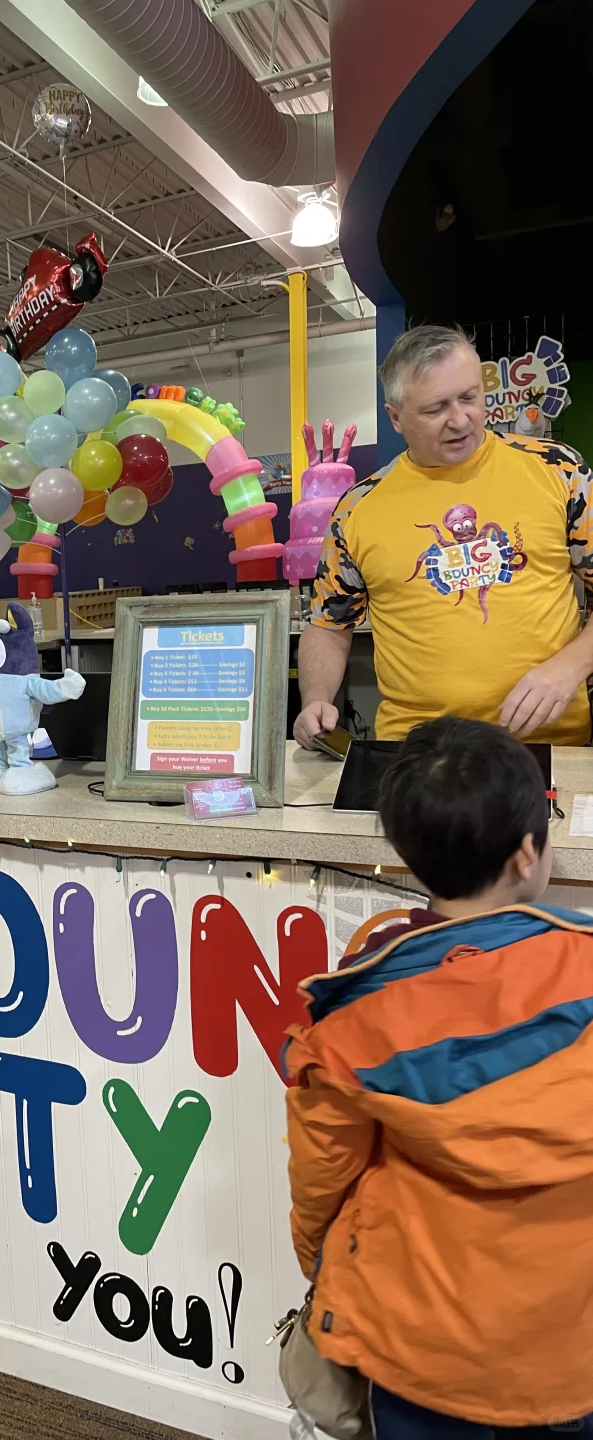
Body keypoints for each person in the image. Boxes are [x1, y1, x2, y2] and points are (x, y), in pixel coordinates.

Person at [285, 716, 593, 1437]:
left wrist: (318, 1267)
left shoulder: (354, 1016)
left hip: (419, 1343)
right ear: (528, 854)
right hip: (573, 1337)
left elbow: (321, 1178)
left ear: (406, 854)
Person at [294, 325, 593, 749]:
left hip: (549, 742)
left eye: (469, 397)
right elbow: (328, 625)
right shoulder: (357, 508)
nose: (460, 420)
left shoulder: (557, 470)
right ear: (395, 416)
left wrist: (569, 667)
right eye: (435, 409)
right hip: (416, 749)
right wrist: (316, 701)